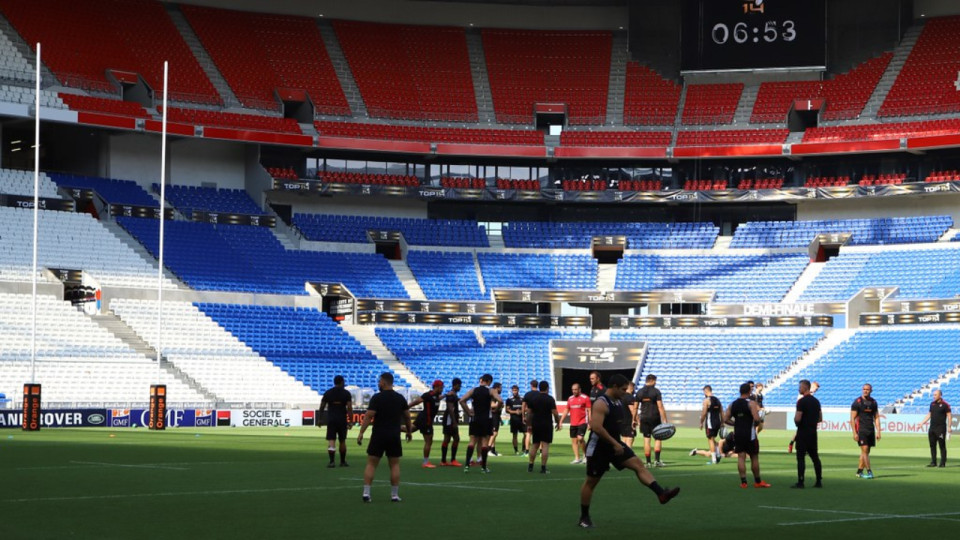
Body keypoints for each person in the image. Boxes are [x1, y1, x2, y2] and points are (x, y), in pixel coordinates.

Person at [578, 374, 680, 529]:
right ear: (614, 387)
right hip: (599, 447)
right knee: (591, 482)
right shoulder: (601, 403)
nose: (626, 392)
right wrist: (615, 443)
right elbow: (596, 427)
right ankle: (584, 517)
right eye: (623, 389)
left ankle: (661, 493)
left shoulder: (618, 401)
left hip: (615, 444)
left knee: (638, 465)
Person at [357, 372, 412, 503]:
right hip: (394, 435)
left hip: (378, 434)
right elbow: (407, 417)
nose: (378, 383)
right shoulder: (400, 398)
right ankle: (394, 495)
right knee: (394, 465)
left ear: (384, 382)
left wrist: (361, 433)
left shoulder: (377, 398)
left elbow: (369, 416)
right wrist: (409, 431)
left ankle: (366, 493)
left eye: (380, 381)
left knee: (371, 463)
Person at [723, 382, 770, 489]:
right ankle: (757, 481)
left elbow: (725, 419)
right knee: (754, 456)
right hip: (750, 434)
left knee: (741, 457)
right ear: (749, 391)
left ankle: (743, 482)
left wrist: (735, 423)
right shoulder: (751, 403)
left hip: (738, 433)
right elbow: (757, 419)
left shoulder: (733, 404)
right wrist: (755, 424)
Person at [460, 374, 501, 473]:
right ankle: (483, 467)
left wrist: (468, 412)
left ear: (482, 380)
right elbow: (500, 400)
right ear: (489, 381)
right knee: (484, 443)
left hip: (475, 419)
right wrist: (496, 408)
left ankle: (467, 466)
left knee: (472, 441)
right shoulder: (491, 391)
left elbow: (462, 400)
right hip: (486, 419)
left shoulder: (474, 390)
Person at [792, 379, 823, 488]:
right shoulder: (816, 401)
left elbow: (797, 418)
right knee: (815, 457)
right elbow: (820, 418)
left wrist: (797, 422)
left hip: (802, 433)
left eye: (800, 387)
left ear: (805, 388)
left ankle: (801, 481)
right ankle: (819, 481)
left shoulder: (801, 402)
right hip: (813, 433)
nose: (798, 389)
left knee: (800, 457)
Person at [408, 380, 444, 468]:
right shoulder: (428, 395)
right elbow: (417, 401)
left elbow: (437, 399)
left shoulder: (436, 396)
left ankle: (392, 428)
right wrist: (406, 407)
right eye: (441, 387)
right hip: (425, 420)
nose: (442, 388)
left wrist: (446, 395)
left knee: (410, 429)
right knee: (429, 441)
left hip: (423, 418)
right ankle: (425, 462)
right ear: (436, 387)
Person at [319, 375, 353, 468]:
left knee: (331, 440)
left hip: (331, 419)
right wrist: (351, 421)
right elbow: (349, 408)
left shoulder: (328, 392)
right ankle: (342, 462)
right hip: (342, 420)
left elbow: (322, 406)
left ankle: (332, 462)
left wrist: (320, 418)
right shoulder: (346, 393)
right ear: (342, 382)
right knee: (342, 440)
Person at [527, 380, 560, 473]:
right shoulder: (550, 399)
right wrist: (558, 422)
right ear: (547, 388)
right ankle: (543, 467)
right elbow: (555, 413)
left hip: (536, 423)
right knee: (545, 445)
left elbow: (529, 413)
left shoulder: (534, 399)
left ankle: (530, 465)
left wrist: (529, 424)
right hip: (546, 424)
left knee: (535, 445)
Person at [636, 374, 669, 467]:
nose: (655, 383)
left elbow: (635, 407)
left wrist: (635, 418)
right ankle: (657, 461)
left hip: (644, 417)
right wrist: (665, 419)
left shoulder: (640, 392)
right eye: (655, 381)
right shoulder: (656, 391)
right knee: (658, 438)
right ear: (652, 380)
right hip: (655, 417)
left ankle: (648, 462)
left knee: (646, 439)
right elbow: (660, 406)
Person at [850, 383, 881, 479]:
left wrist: (878, 431)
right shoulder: (857, 402)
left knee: (865, 452)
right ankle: (869, 471)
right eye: (864, 389)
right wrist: (854, 433)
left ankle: (859, 472)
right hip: (861, 430)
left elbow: (876, 417)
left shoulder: (873, 402)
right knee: (865, 451)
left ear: (871, 390)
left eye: (867, 389)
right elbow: (852, 419)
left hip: (870, 430)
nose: (865, 391)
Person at [558, 383, 591, 464]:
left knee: (580, 438)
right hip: (573, 423)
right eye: (573, 390)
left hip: (582, 421)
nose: (574, 391)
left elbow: (589, 411)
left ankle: (586, 455)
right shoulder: (570, 399)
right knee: (574, 441)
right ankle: (577, 458)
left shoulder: (585, 398)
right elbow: (566, 410)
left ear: (579, 389)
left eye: (575, 389)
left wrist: (590, 422)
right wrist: (561, 421)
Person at [921, 389, 951, 468]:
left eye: (935, 395)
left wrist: (949, 426)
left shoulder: (945, 405)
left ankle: (943, 462)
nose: (934, 396)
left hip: (940, 428)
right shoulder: (932, 404)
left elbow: (949, 416)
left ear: (940, 395)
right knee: (932, 445)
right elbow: (929, 415)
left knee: (942, 445)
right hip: (932, 428)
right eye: (933, 395)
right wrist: (922, 422)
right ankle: (933, 462)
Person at [789, 381, 819, 453]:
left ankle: (799, 447)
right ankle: (793, 444)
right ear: (812, 386)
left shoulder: (811, 395)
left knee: (804, 432)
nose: (816, 390)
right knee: (801, 432)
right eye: (816, 388)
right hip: (802, 414)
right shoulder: (802, 395)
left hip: (806, 415)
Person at [440, 378, 463, 467]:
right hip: (450, 420)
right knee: (454, 438)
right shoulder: (451, 395)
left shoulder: (453, 395)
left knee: (448, 438)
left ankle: (444, 460)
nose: (460, 388)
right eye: (459, 386)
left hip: (450, 419)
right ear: (455, 385)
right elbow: (450, 408)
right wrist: (454, 422)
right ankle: (451, 460)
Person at [698, 385, 723, 464]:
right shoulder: (717, 400)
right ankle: (718, 454)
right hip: (717, 422)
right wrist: (722, 423)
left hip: (710, 423)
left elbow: (704, 412)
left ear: (706, 391)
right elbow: (722, 412)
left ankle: (714, 459)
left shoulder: (706, 400)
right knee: (713, 438)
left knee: (710, 440)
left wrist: (701, 422)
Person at [521, 379, 539, 456]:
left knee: (528, 433)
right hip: (538, 415)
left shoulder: (527, 394)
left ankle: (527, 451)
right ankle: (541, 452)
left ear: (531, 385)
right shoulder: (539, 394)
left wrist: (523, 416)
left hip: (530, 415)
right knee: (539, 434)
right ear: (537, 385)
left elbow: (523, 406)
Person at [505, 385, 525, 454]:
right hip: (514, 419)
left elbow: (527, 408)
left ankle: (524, 448)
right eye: (513, 390)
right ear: (511, 391)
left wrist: (522, 411)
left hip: (522, 419)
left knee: (525, 434)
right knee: (515, 435)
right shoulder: (509, 400)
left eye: (516, 390)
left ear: (518, 390)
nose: (514, 392)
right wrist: (515, 412)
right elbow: (507, 410)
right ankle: (516, 450)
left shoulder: (522, 399)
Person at [488, 382, 504, 456]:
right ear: (497, 388)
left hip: (496, 416)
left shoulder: (496, 395)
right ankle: (488, 450)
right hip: (493, 416)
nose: (501, 389)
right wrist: (499, 404)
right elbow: (491, 405)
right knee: (494, 433)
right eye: (500, 388)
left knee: (494, 433)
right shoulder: (494, 396)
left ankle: (492, 450)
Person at [621, 382, 638, 449]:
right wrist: (636, 420)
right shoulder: (630, 397)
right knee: (630, 438)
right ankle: (628, 456)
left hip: (621, 421)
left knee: (624, 438)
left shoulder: (621, 396)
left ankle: (622, 456)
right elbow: (633, 410)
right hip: (629, 422)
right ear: (632, 388)